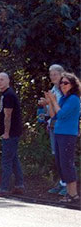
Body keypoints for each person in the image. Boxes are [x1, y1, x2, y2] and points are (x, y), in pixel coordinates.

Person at [43, 72, 80, 204]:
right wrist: (50, 103)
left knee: (67, 163)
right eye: (61, 83)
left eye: (66, 83)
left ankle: (73, 194)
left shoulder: (74, 99)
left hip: (68, 134)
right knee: (60, 163)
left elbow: (63, 115)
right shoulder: (64, 99)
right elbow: (54, 116)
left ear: (72, 85)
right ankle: (69, 194)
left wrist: (53, 101)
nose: (63, 85)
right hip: (59, 133)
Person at [0, 73, 24, 197]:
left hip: (11, 133)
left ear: (8, 81)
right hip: (12, 132)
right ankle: (19, 185)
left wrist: (6, 133)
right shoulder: (5, 95)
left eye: (2, 80)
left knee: (6, 161)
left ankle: (4, 188)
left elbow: (8, 115)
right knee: (14, 159)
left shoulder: (9, 95)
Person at [38, 64, 66, 195]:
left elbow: (62, 109)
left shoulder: (65, 89)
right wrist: (44, 105)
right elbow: (50, 111)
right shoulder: (53, 89)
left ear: (61, 74)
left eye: (55, 74)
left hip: (64, 126)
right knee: (57, 156)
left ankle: (67, 186)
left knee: (64, 156)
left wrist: (49, 103)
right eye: (51, 74)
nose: (53, 77)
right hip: (53, 125)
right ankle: (62, 182)